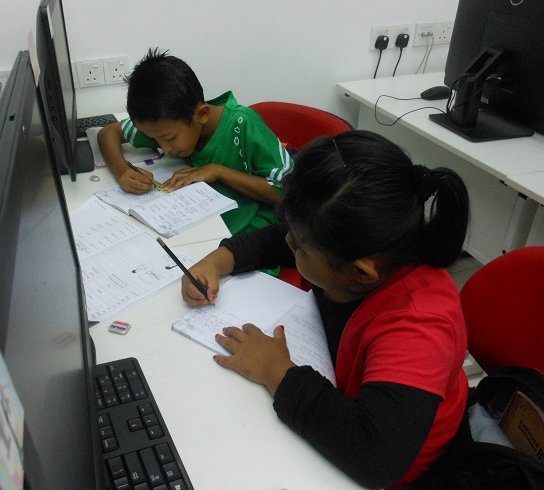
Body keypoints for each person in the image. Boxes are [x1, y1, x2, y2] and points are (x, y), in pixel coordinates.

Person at [180, 130, 471, 488]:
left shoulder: (418, 326)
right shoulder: (356, 246)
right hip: (337, 389)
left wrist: (276, 370)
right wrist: (217, 260)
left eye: (300, 247)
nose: (289, 242)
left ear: (361, 273)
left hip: (389, 467)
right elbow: (284, 239)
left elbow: (376, 457)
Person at [97, 48, 293, 236]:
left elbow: (288, 194)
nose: (164, 147)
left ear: (202, 114)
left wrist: (218, 171)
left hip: (254, 230)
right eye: (154, 139)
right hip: (203, 223)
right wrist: (122, 171)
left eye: (169, 138)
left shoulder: (243, 125)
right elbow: (108, 133)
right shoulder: (166, 124)